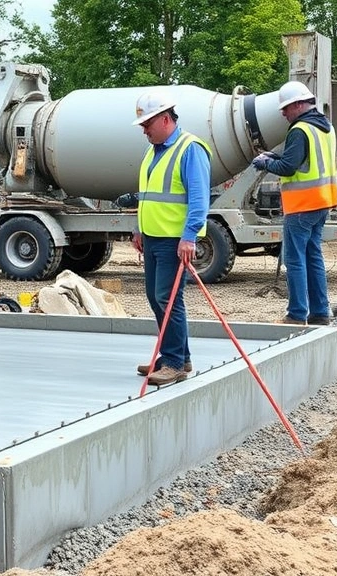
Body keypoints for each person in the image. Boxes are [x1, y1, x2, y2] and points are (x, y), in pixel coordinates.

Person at [130, 91, 211, 386]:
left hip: (174, 240)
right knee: (155, 297)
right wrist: (139, 228)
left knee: (168, 298)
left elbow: (200, 199)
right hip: (153, 237)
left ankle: (174, 362)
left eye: (147, 124)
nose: (144, 130)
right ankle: (176, 355)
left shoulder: (190, 149)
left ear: (165, 119)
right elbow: (148, 195)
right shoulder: (154, 151)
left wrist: (189, 237)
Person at [252, 81, 337, 326]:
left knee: (294, 259)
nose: (283, 113)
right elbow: (301, 160)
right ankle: (320, 313)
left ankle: (297, 314)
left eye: (286, 108)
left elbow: (289, 167)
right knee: (313, 256)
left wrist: (265, 163)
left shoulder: (300, 130)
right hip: (322, 202)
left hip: (302, 204)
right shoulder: (325, 127)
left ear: (299, 105)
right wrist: (274, 156)